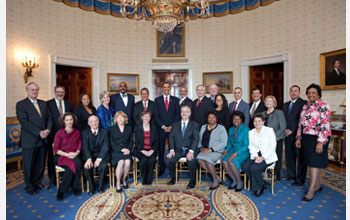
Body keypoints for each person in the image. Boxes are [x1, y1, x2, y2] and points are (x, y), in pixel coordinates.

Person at [295, 83, 331, 202]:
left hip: (318, 138)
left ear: (319, 94)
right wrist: (299, 137)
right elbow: (301, 123)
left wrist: (321, 142)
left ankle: (311, 190)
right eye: (309, 93)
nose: (311, 95)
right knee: (310, 162)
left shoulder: (324, 106)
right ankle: (317, 185)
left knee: (315, 163)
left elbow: (325, 125)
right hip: (306, 138)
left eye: (313, 93)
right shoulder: (305, 107)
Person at [16, 82, 53, 195]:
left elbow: (50, 118)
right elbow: (24, 122)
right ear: (27, 90)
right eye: (32, 90)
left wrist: (48, 130)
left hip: (44, 138)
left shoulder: (43, 103)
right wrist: (39, 132)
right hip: (30, 140)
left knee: (41, 163)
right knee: (29, 164)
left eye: (36, 89)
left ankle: (38, 182)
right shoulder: (21, 104)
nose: (35, 92)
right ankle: (29, 187)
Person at [243, 113, 277, 197]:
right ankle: (261, 182)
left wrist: (263, 157)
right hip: (256, 154)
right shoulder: (251, 132)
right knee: (246, 166)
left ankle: (259, 188)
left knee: (254, 168)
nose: (257, 123)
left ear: (263, 122)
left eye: (259, 121)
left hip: (268, 156)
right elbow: (251, 146)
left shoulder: (269, 130)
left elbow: (273, 146)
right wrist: (255, 156)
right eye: (255, 121)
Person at [165, 105, 199, 189]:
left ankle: (193, 180)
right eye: (182, 111)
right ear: (180, 113)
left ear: (190, 113)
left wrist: (191, 151)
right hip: (178, 150)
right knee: (168, 160)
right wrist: (172, 150)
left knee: (191, 160)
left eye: (186, 111)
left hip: (189, 149)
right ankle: (174, 178)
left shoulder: (194, 125)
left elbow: (195, 139)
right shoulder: (175, 125)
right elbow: (171, 138)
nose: (184, 113)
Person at [47, 86, 74, 185]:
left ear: (64, 93)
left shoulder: (69, 104)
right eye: (58, 92)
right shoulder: (48, 104)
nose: (60, 94)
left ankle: (67, 176)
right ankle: (53, 179)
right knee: (53, 157)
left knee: (68, 156)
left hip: (68, 136)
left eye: (62, 92)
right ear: (54, 92)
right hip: (53, 135)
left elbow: (72, 119)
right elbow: (47, 120)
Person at [53, 112, 82, 201]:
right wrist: (67, 155)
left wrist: (76, 153)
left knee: (78, 163)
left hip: (74, 154)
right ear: (64, 122)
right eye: (67, 120)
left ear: (73, 121)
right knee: (71, 167)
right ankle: (62, 191)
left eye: (71, 120)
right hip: (62, 155)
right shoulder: (59, 133)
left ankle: (74, 187)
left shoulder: (77, 132)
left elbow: (79, 146)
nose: (69, 122)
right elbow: (56, 149)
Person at [282, 85, 307, 185]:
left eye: (295, 91)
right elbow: (283, 119)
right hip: (287, 135)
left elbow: (301, 120)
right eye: (291, 91)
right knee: (289, 156)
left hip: (298, 135)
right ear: (289, 92)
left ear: (299, 92)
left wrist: (292, 130)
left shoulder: (304, 104)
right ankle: (291, 174)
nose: (293, 93)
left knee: (300, 157)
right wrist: (284, 130)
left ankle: (300, 179)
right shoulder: (285, 105)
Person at [154, 82, 180, 175]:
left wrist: (171, 126)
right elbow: (156, 115)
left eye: (168, 87)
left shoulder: (176, 100)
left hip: (173, 129)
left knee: (172, 148)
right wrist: (163, 126)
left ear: (170, 88)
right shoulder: (157, 100)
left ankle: (171, 167)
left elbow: (178, 115)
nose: (166, 89)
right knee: (161, 149)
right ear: (162, 88)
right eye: (164, 87)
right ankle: (161, 167)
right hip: (161, 129)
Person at [197, 112, 228, 190]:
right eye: (209, 117)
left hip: (216, 151)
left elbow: (224, 142)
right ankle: (217, 177)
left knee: (208, 160)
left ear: (216, 118)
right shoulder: (203, 127)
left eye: (213, 117)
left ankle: (215, 180)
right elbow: (199, 139)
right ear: (207, 119)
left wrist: (211, 149)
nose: (211, 119)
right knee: (199, 158)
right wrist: (200, 148)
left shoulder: (221, 128)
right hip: (205, 150)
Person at [81, 115, 110, 194]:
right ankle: (91, 186)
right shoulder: (84, 133)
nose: (94, 123)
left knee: (103, 166)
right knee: (87, 167)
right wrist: (88, 159)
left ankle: (101, 186)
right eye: (92, 121)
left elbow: (106, 146)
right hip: (89, 155)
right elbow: (84, 147)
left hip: (102, 155)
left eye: (96, 121)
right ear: (88, 123)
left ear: (99, 122)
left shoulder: (104, 132)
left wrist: (99, 159)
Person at [221, 111, 249, 192]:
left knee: (231, 162)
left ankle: (239, 182)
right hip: (232, 149)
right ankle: (234, 180)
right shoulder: (231, 129)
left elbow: (246, 145)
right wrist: (226, 150)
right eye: (234, 119)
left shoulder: (246, 129)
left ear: (242, 120)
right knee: (224, 161)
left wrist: (236, 153)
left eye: (238, 119)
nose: (236, 121)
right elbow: (229, 143)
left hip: (242, 151)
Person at [261, 95, 287, 181]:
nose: (268, 102)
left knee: (276, 157)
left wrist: (272, 137)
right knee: (266, 156)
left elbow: (283, 127)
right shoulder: (262, 114)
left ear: (274, 103)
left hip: (276, 139)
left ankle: (277, 174)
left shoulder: (279, 113)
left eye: (270, 101)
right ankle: (267, 172)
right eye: (267, 101)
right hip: (264, 141)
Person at [110, 111, 133, 193]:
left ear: (125, 119)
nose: (120, 119)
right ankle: (118, 182)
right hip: (116, 151)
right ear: (116, 119)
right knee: (121, 162)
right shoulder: (112, 129)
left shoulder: (129, 128)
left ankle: (124, 180)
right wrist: (120, 149)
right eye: (118, 117)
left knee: (127, 162)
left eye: (122, 117)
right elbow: (111, 142)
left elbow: (131, 141)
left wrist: (128, 149)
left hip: (127, 150)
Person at [133, 111, 158, 185]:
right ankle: (144, 178)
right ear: (142, 118)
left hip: (152, 149)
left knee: (151, 160)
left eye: (148, 116)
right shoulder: (137, 128)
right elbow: (136, 142)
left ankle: (149, 179)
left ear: (150, 118)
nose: (146, 118)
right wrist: (143, 150)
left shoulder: (154, 128)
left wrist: (152, 150)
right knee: (143, 160)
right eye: (145, 116)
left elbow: (156, 141)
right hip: (140, 149)